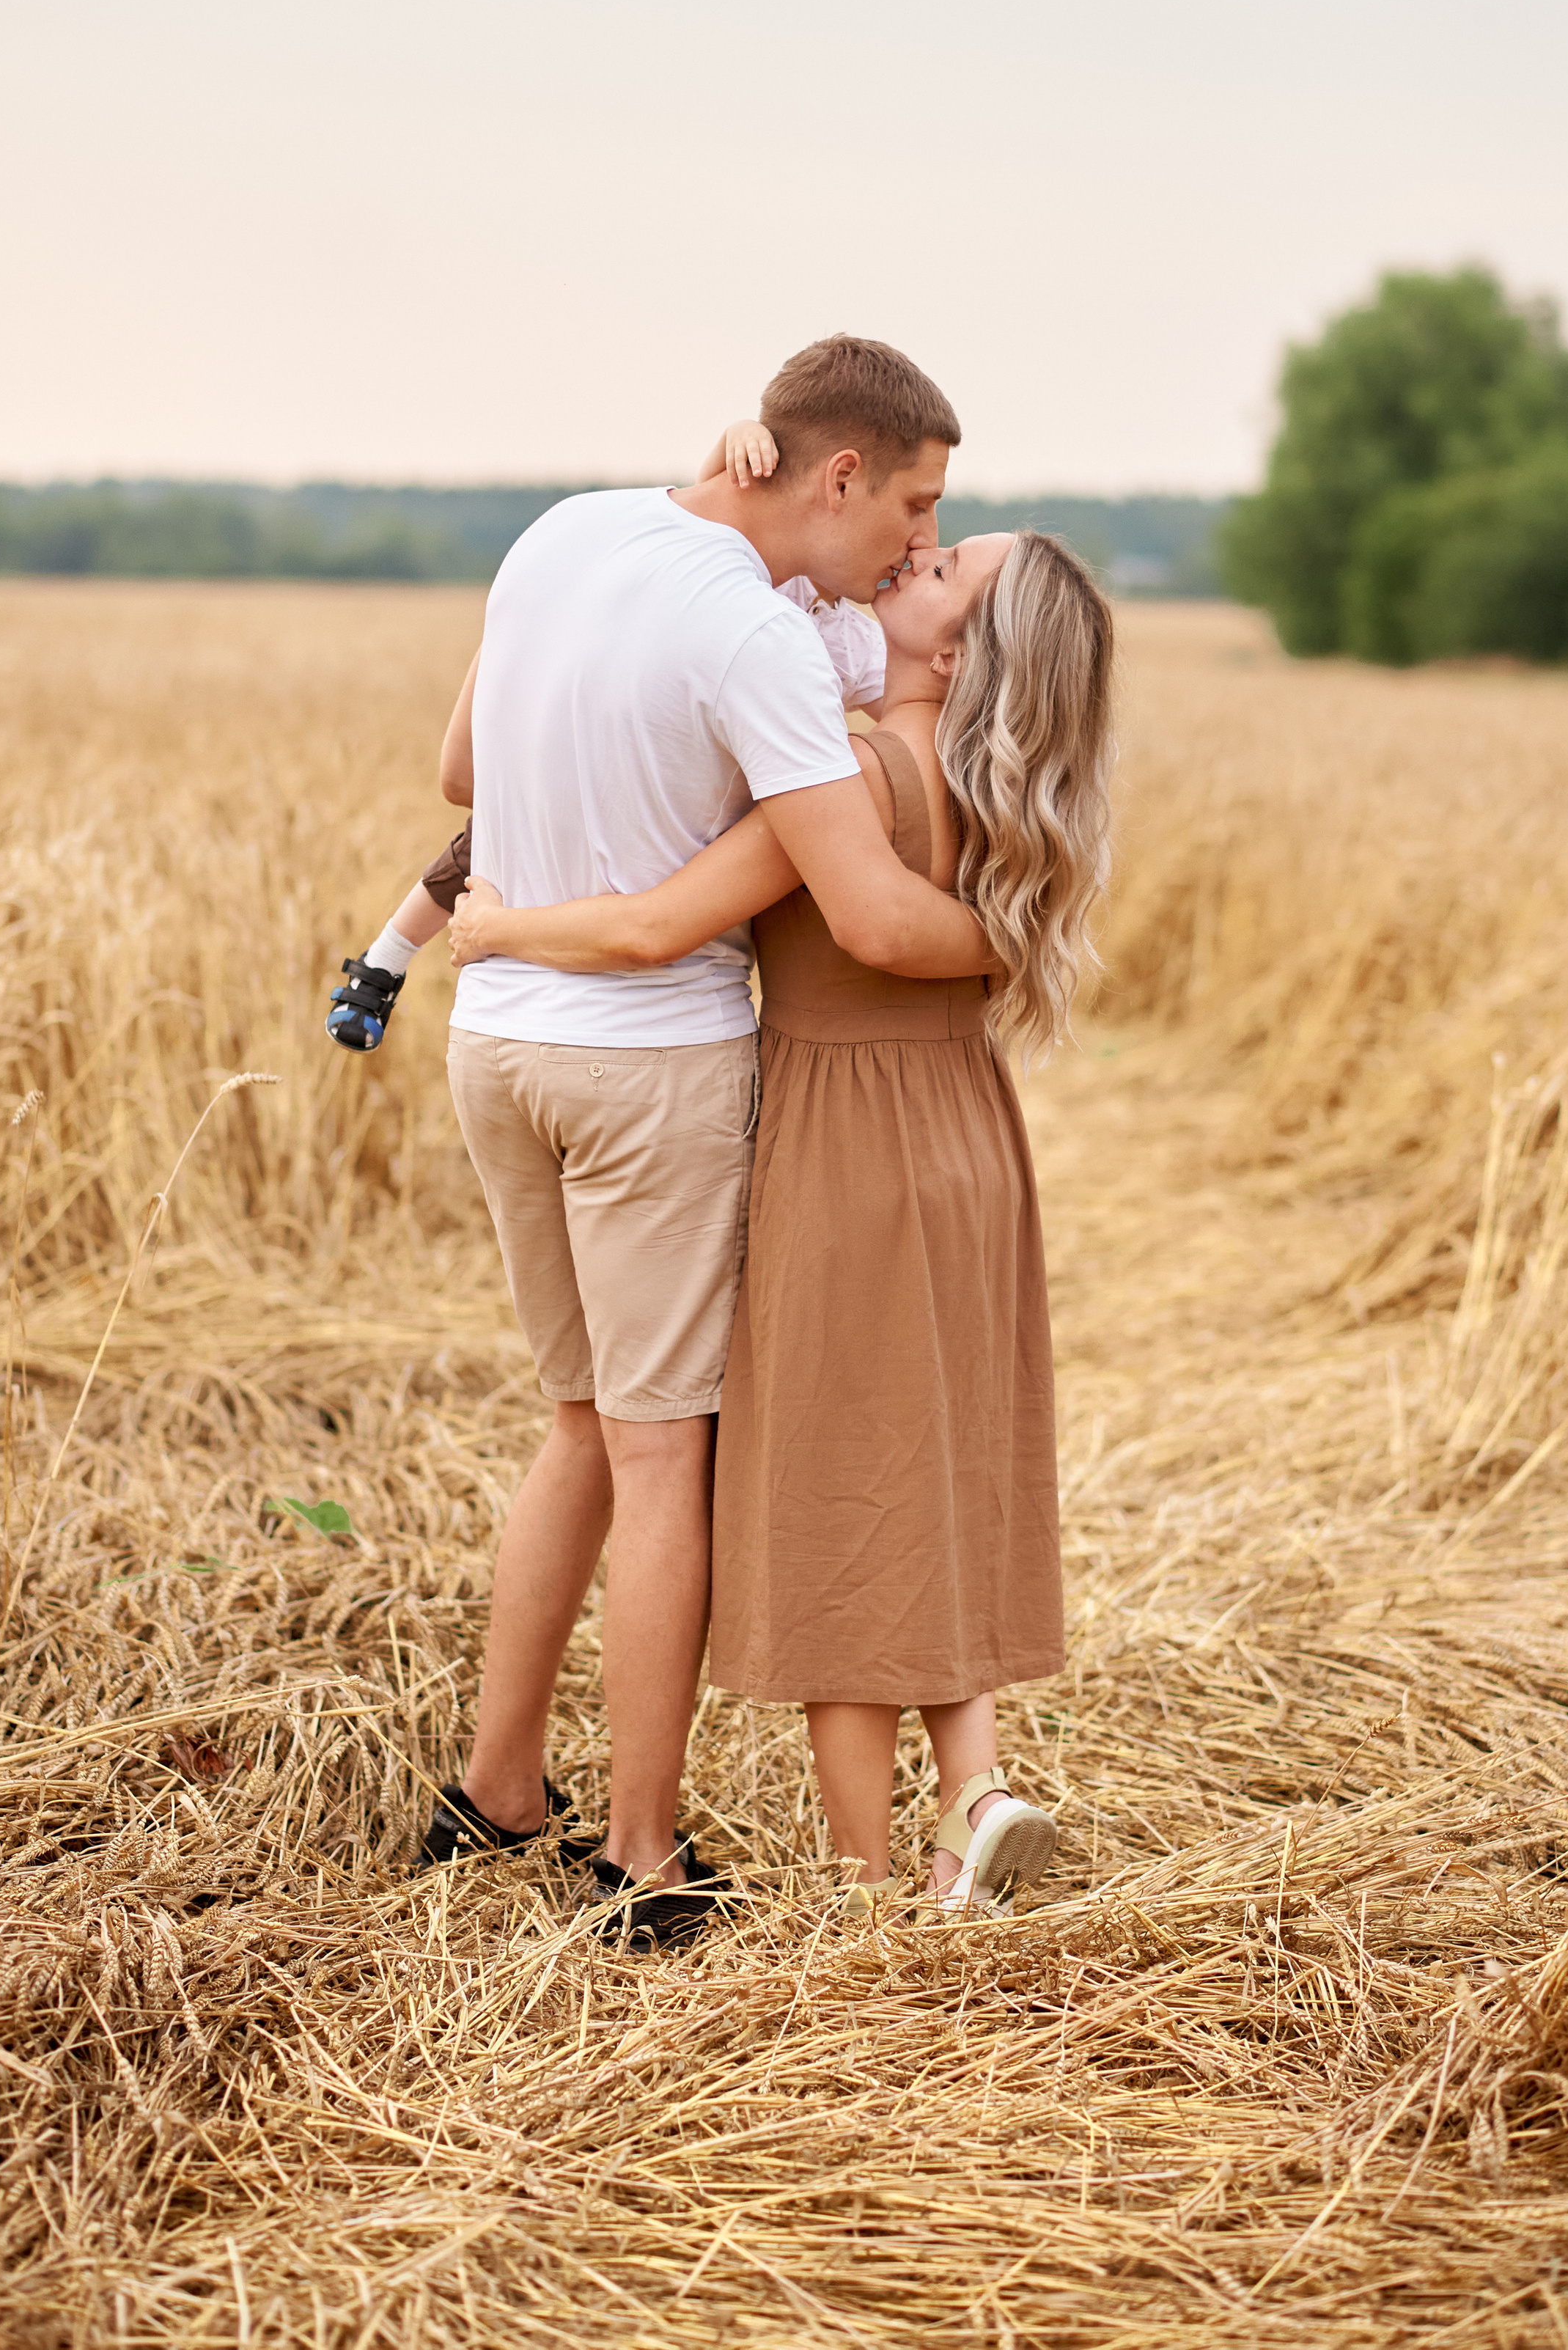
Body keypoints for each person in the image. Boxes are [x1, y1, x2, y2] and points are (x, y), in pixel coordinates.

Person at [391, 337, 990, 1947]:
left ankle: (495, 1791)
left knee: (577, 1426)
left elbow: (460, 771)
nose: (913, 546)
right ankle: (638, 1854)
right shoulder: (756, 639)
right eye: (914, 502)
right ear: (839, 471)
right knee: (664, 1459)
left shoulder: (562, 531)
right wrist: (1024, 944)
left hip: (497, 1047)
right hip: (646, 1073)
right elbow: (864, 909)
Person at [450, 474, 1114, 1913]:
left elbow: (656, 921)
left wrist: (499, 923)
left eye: (946, 569)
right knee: (945, 1464)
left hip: (842, 1147)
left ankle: (869, 1881)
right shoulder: (1004, 814)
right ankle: (975, 1792)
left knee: (840, 1491)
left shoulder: (857, 777)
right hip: (965, 1141)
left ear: (960, 652)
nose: (915, 555)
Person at [322, 429, 886, 1051]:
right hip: (641, 1020)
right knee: (481, 839)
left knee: (499, 838)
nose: (915, 544)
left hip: (511, 1018)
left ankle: (389, 958)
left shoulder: (848, 641)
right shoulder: (757, 583)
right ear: (838, 490)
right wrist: (737, 441)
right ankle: (387, 957)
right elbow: (711, 516)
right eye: (913, 511)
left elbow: (914, 717)